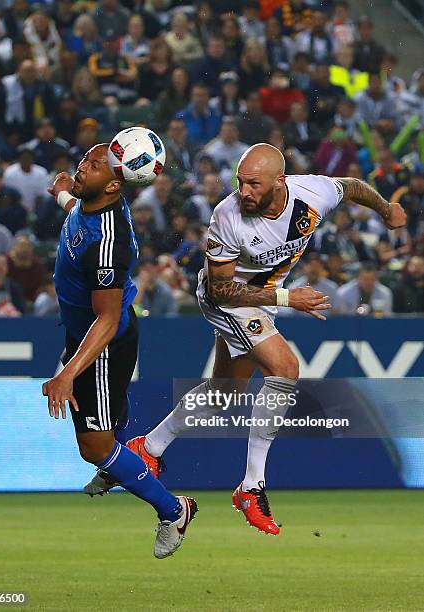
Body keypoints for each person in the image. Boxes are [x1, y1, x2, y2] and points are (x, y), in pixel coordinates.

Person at [84, 143, 407, 533]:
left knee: (224, 392)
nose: (245, 191)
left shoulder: (313, 193)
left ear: (280, 181)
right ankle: (252, 485)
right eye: (240, 181)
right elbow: (222, 291)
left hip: (261, 301)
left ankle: (148, 447)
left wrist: (386, 209)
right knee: (286, 367)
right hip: (227, 298)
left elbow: (352, 186)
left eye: (254, 184)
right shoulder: (228, 215)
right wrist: (289, 297)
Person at [42, 142, 197, 559]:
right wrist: (62, 192)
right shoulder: (88, 203)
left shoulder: (109, 241)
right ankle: (120, 464)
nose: (81, 168)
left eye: (92, 166)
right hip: (83, 334)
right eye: (85, 160)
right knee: (103, 441)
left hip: (103, 340)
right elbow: (77, 208)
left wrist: (67, 373)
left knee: (93, 445)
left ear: (114, 183)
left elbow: (107, 320)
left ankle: (174, 510)